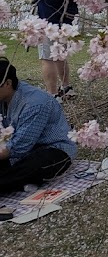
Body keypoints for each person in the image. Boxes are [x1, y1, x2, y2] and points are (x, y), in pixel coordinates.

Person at [0, 58, 77, 194]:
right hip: (17, 151)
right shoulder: (4, 97)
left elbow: (20, 145)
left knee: (34, 166)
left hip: (53, 148)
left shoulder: (35, 103)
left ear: (7, 83)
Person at [24, 0, 79, 97]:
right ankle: (66, 88)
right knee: (60, 56)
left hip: (48, 25)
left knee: (47, 59)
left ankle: (52, 94)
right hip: (66, 26)